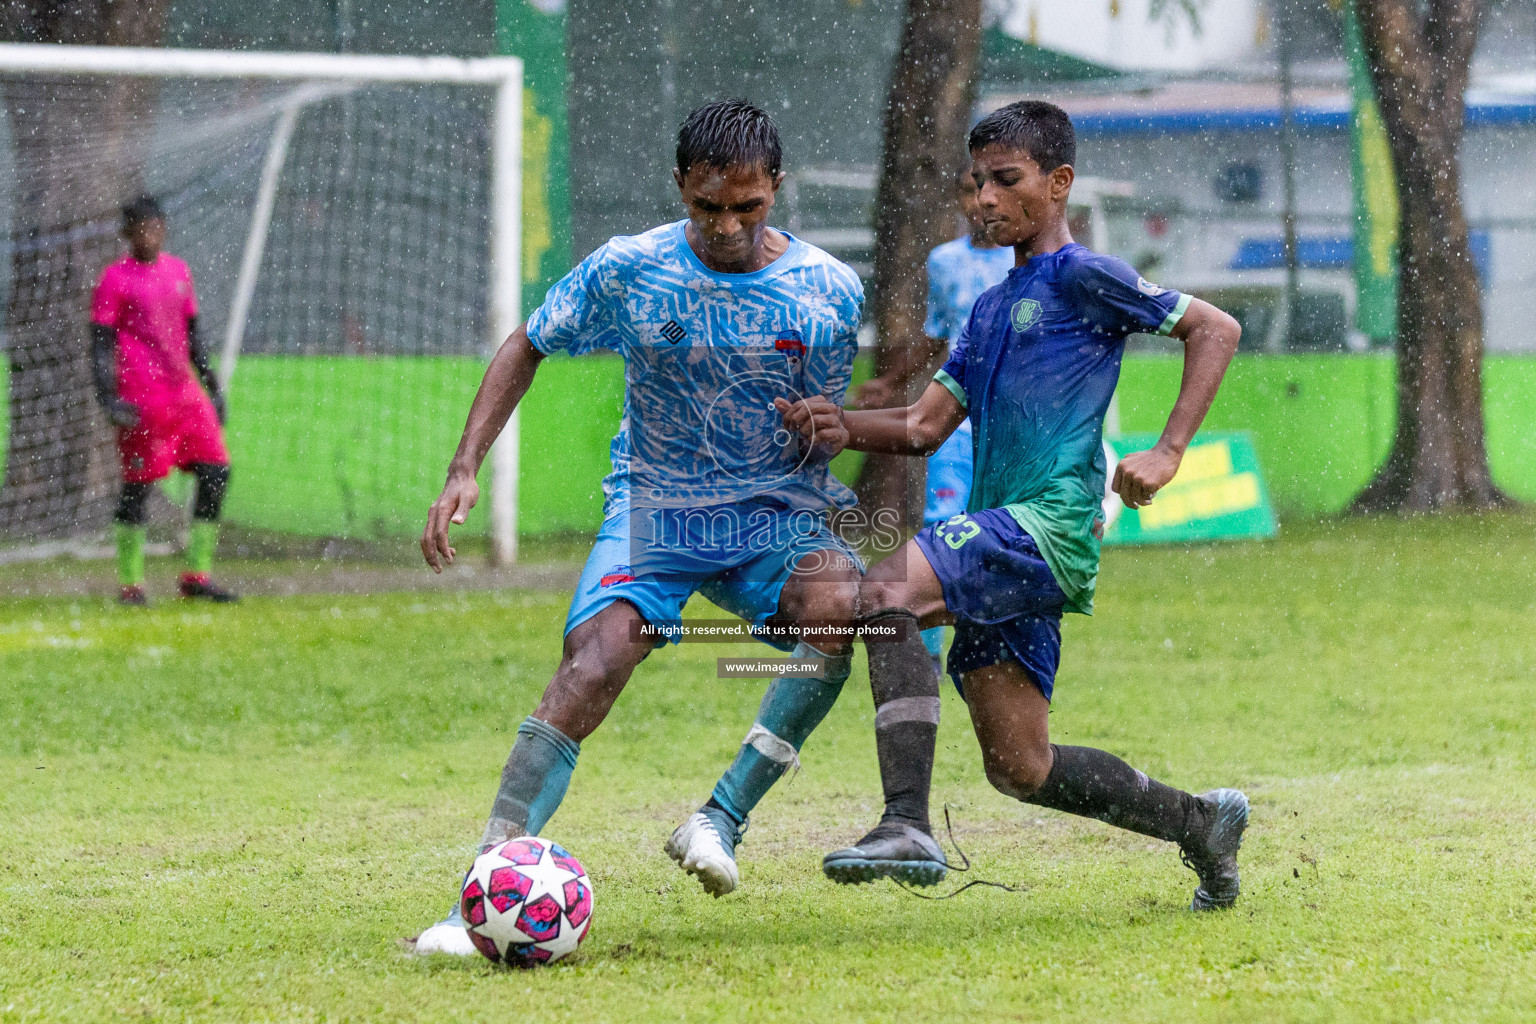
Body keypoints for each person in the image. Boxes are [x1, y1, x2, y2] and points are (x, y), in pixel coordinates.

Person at [413, 100, 865, 954]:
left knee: (843, 607)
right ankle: (478, 897)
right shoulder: (628, 269)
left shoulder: (829, 290)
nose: (726, 227)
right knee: (594, 662)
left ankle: (719, 819)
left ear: (776, 188)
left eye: (747, 208)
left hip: (769, 519)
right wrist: (463, 466)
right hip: (655, 510)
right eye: (706, 207)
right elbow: (527, 344)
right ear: (678, 188)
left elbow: (826, 419)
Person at [778, 100, 1251, 910]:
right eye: (975, 184)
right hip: (1005, 534)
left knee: (882, 590)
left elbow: (1216, 327)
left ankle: (905, 823)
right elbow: (927, 424)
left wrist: (1168, 450)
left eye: (1006, 181)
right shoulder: (990, 308)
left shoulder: (1081, 275)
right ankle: (1200, 822)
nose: (984, 200)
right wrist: (837, 424)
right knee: (1020, 767)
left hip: (1044, 525)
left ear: (1058, 184)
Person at [854, 165, 1011, 680]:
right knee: (940, 529)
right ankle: (922, 656)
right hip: (954, 423)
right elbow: (939, 334)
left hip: (1012, 428)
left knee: (1002, 535)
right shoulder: (943, 261)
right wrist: (892, 383)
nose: (980, 200)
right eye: (969, 189)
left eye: (991, 187)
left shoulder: (1026, 260)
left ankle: (993, 644)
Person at [91, 195, 237, 606]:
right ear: (127, 234)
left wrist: (212, 386)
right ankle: (131, 585)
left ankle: (196, 575)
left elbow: (193, 336)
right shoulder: (114, 280)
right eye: (141, 229)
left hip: (185, 395)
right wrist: (108, 398)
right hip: (143, 396)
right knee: (138, 488)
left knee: (216, 473)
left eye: (156, 227)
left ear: (164, 228)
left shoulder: (179, 272)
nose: (150, 235)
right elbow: (99, 343)